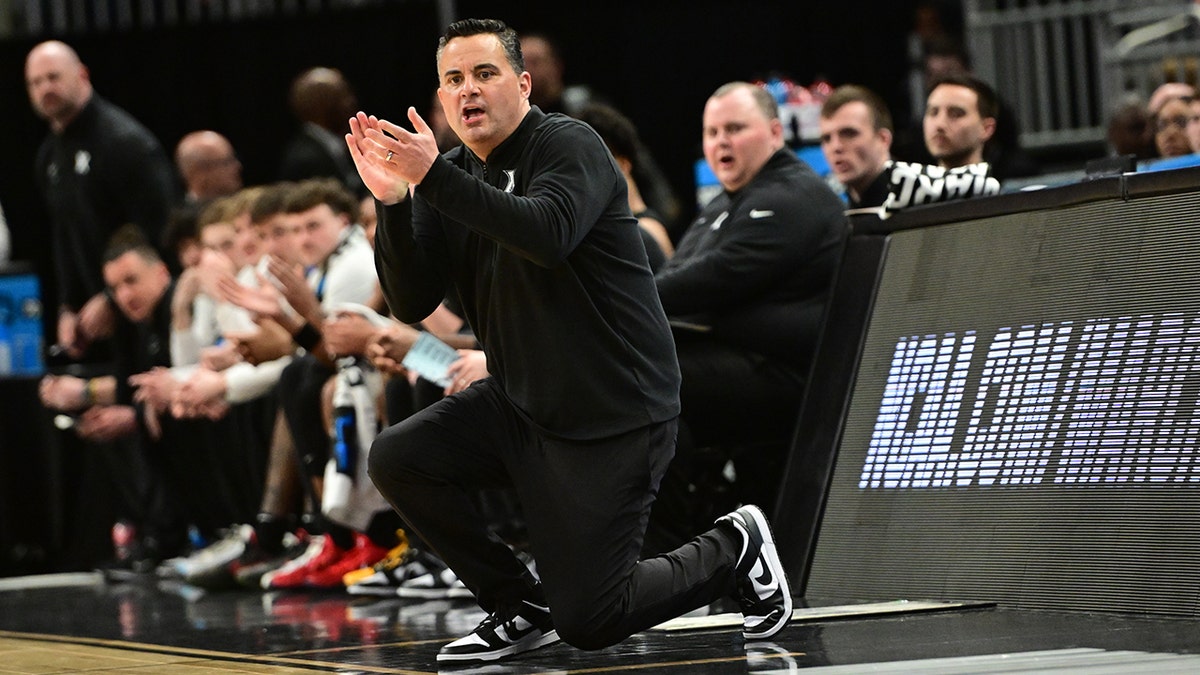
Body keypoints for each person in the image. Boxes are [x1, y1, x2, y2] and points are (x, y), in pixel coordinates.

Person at [347, 18, 791, 664]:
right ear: (441, 99)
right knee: (398, 456)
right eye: (453, 79)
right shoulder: (444, 176)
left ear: (523, 83)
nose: (468, 90)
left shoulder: (567, 144)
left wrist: (433, 183)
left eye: (484, 73)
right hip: (524, 403)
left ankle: (733, 545)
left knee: (592, 615)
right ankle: (518, 603)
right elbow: (414, 302)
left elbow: (547, 233)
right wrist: (392, 203)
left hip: (614, 407)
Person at [646, 82, 846, 554]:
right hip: (736, 362)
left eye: (735, 129)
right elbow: (678, 278)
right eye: (712, 132)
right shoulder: (723, 203)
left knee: (643, 383)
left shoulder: (793, 195)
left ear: (775, 132)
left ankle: (666, 558)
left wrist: (608, 301)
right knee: (641, 387)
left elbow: (711, 280)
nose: (720, 142)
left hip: (790, 378)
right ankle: (678, 553)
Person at [26, 40, 178, 360]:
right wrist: (68, 305)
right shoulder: (48, 157)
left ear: (82, 75)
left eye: (53, 77)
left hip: (144, 310)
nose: (45, 89)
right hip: (95, 318)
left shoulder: (124, 142)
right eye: (35, 83)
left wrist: (112, 296)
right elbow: (63, 234)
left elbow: (159, 230)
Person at [574, 103, 674, 266]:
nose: (584, 176)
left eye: (591, 162)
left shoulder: (646, 232)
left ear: (622, 164)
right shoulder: (633, 229)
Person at [279, 67, 364, 195]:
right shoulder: (306, 160)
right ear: (320, 106)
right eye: (341, 97)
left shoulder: (335, 146)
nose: (351, 102)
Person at [819, 85, 895, 208]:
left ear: (883, 140)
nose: (836, 147)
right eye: (827, 139)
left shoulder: (919, 200)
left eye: (849, 134)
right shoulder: (834, 213)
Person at [923, 73, 998, 170]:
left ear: (986, 128)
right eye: (933, 112)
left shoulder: (1000, 184)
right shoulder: (909, 183)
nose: (940, 124)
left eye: (956, 114)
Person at [174, 130, 243, 204]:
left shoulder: (243, 210)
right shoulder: (181, 214)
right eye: (226, 163)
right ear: (199, 172)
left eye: (233, 159)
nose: (238, 166)